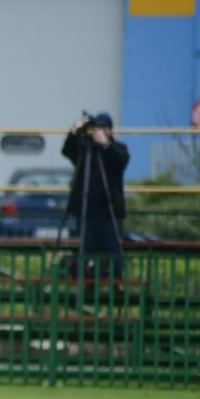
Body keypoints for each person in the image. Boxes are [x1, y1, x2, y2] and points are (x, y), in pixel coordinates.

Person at [62, 112, 130, 279]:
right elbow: (67, 150)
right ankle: (84, 278)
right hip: (87, 212)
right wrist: (75, 131)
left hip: (110, 212)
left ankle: (116, 280)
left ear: (109, 130)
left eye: (102, 128)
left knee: (112, 249)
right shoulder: (85, 151)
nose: (97, 132)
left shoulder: (117, 148)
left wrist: (105, 144)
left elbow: (120, 161)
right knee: (85, 249)